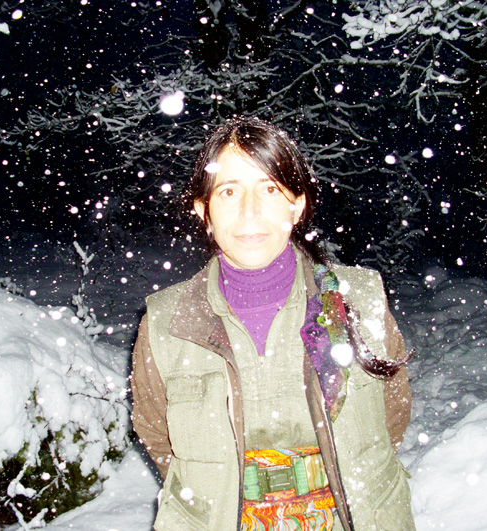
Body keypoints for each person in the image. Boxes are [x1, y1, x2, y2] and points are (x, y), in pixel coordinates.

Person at [131, 117, 415, 530]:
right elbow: (157, 433)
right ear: (204, 211)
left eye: (269, 189)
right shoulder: (167, 323)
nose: (250, 211)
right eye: (229, 191)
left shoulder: (360, 299)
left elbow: (393, 415)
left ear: (296, 204)